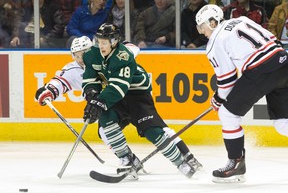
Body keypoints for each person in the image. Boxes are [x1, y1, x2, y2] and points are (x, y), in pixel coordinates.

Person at [35, 33, 202, 178]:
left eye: (84, 53)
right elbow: (59, 82)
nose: (81, 59)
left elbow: (130, 48)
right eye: (76, 55)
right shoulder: (73, 70)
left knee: (156, 128)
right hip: (111, 105)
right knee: (104, 129)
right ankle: (129, 160)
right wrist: (47, 91)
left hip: (133, 96)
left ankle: (186, 156)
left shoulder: (107, 54)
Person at [81, 23, 202, 179]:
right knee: (106, 119)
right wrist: (92, 96)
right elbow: (90, 78)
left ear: (114, 41)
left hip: (137, 96)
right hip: (116, 96)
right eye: (98, 41)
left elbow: (119, 87)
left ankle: (181, 162)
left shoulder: (123, 56)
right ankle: (127, 159)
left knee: (154, 132)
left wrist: (99, 102)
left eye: (104, 42)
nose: (100, 45)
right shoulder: (92, 54)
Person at [195, 4, 288, 183]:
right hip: (283, 62)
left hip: (261, 70)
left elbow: (227, 79)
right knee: (283, 124)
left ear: (213, 23)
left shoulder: (215, 41)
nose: (202, 32)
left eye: (202, 27)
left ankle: (236, 163)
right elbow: (273, 40)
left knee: (227, 114)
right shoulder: (241, 20)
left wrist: (218, 99)